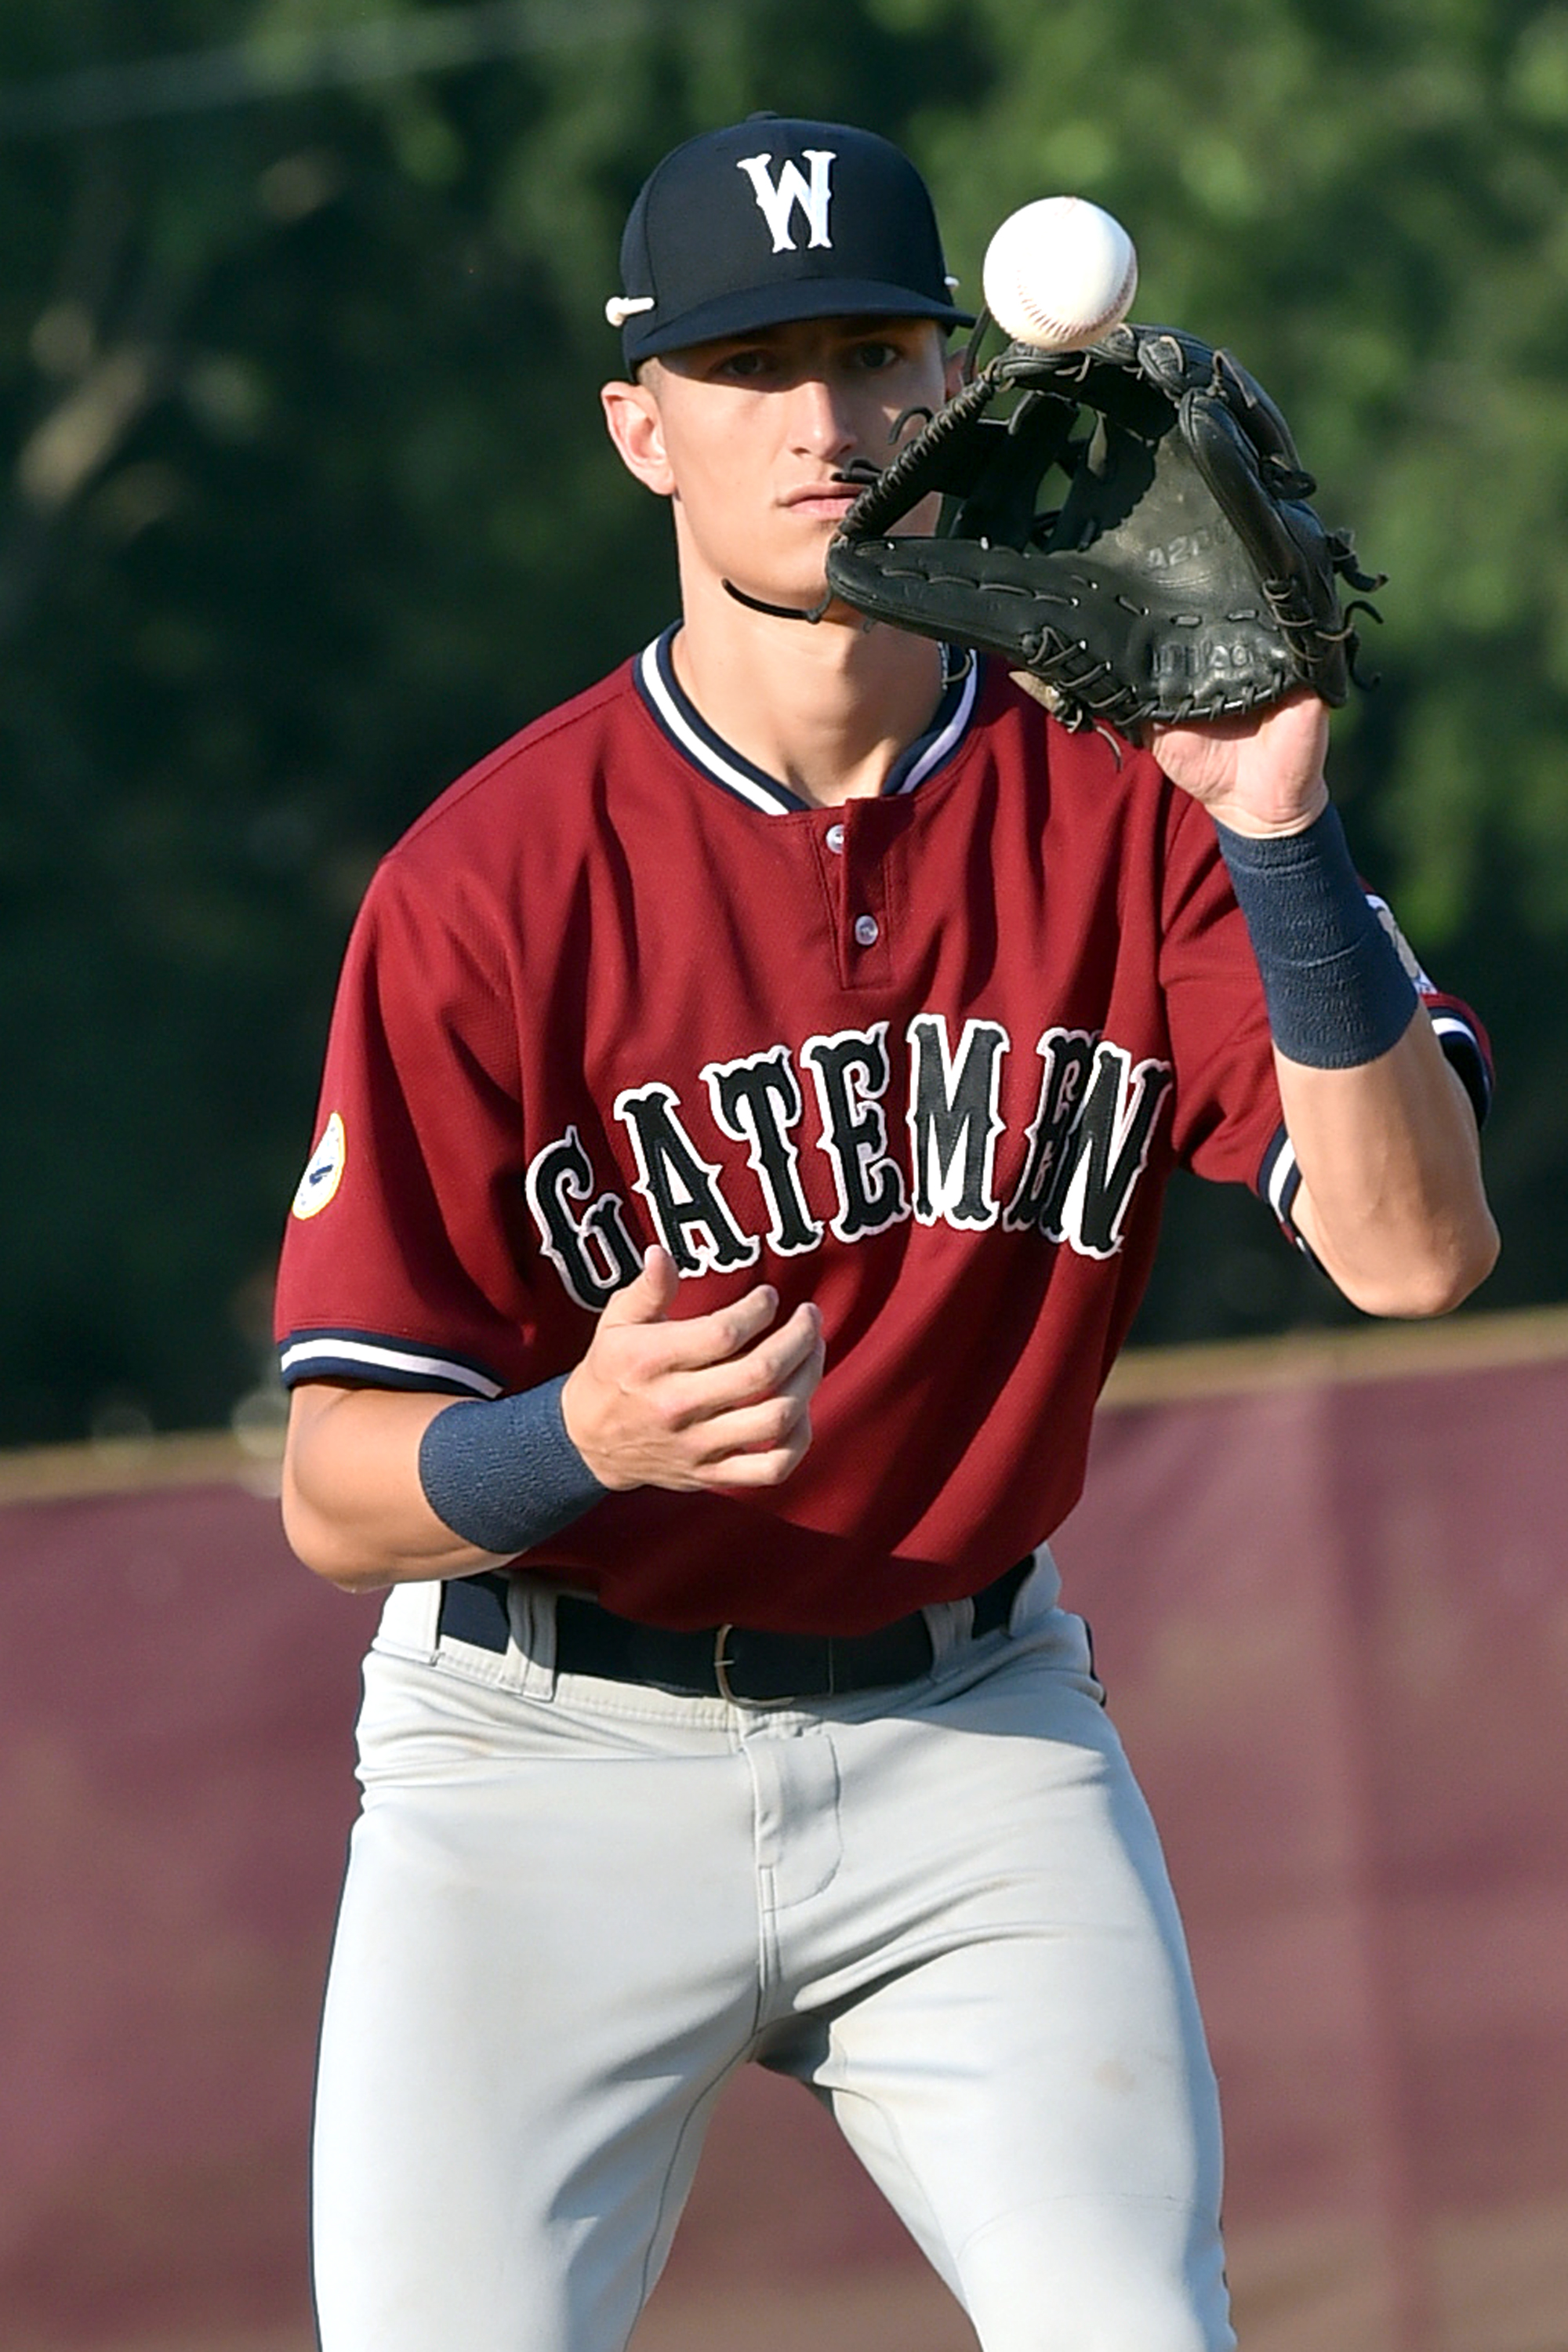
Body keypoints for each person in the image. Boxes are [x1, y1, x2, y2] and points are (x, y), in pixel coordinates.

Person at [274, 115, 1497, 2352]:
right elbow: (338, 1495)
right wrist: (576, 1441)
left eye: (871, 351)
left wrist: (1286, 831)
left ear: (952, 390)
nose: (825, 419)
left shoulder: (1132, 794)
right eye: (756, 367)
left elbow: (1418, 1255)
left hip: (972, 1740)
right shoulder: (489, 883)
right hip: (538, 1764)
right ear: (644, 429)